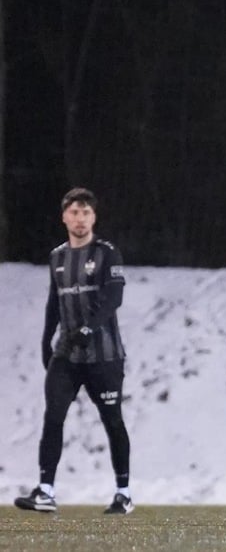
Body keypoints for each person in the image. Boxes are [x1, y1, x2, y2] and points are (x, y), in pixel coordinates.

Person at [15, 188, 134, 515]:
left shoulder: (107, 253)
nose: (80, 219)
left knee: (112, 421)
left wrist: (88, 329)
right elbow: (55, 302)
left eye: (86, 213)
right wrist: (45, 340)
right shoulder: (57, 257)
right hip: (67, 356)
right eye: (74, 213)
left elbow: (113, 299)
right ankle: (45, 491)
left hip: (104, 356)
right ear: (64, 216)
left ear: (93, 217)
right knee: (53, 417)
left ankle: (123, 493)